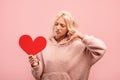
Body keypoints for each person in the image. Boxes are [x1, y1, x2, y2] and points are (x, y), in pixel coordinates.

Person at [28, 10, 107, 80]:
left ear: (69, 28)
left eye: (62, 25)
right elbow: (37, 76)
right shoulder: (43, 46)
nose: (58, 28)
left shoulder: (79, 46)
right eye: (56, 24)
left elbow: (101, 48)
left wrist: (82, 36)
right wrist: (35, 66)